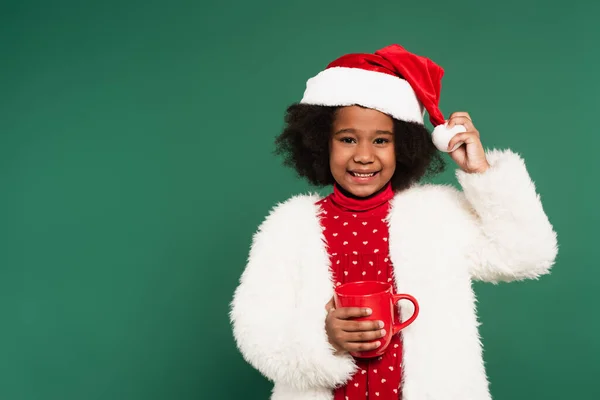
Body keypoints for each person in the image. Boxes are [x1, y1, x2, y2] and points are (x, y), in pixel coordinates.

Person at [229, 43, 558, 400]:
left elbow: (526, 255)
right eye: (348, 139)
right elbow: (256, 327)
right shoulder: (289, 226)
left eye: (381, 140)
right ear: (320, 143)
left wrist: (480, 172)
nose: (364, 156)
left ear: (403, 147)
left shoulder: (436, 214)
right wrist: (324, 339)